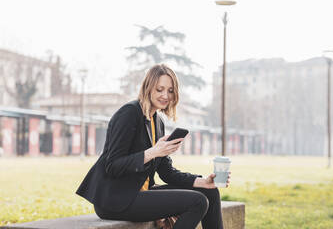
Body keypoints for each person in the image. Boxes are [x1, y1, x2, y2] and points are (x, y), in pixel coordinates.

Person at [76, 64, 230, 229]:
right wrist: (151, 153)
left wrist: (203, 182)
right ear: (148, 88)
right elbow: (112, 166)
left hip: (140, 194)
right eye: (160, 89)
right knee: (197, 202)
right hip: (116, 199)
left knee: (210, 192)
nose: (165, 95)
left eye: (170, 91)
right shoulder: (129, 114)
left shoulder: (158, 121)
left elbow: (166, 173)